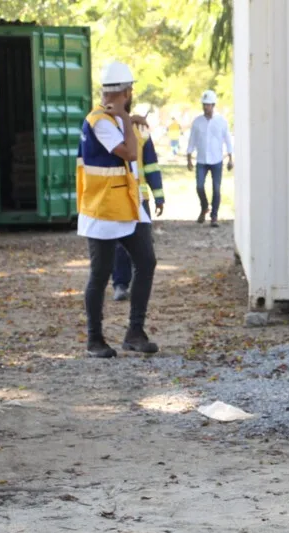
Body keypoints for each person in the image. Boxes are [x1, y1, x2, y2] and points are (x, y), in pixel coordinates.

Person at [75, 61, 159, 358]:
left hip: (128, 207)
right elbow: (130, 152)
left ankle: (134, 332)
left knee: (146, 262)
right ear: (124, 92)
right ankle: (94, 340)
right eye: (130, 90)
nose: (132, 93)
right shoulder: (100, 121)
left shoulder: (113, 120)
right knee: (100, 274)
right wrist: (125, 116)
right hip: (104, 210)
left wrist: (126, 117)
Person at [112, 123, 165, 301]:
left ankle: (138, 283)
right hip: (117, 195)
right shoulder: (106, 125)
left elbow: (151, 166)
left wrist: (158, 196)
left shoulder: (141, 131)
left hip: (140, 197)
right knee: (120, 243)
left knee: (143, 243)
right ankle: (120, 283)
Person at [186, 90, 234, 228]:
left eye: (208, 105)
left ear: (213, 105)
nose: (205, 107)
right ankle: (204, 206)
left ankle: (214, 216)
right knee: (199, 186)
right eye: (204, 105)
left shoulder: (221, 122)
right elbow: (192, 140)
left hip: (217, 160)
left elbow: (227, 140)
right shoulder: (197, 122)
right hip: (201, 160)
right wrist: (189, 157)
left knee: (216, 189)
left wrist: (230, 158)